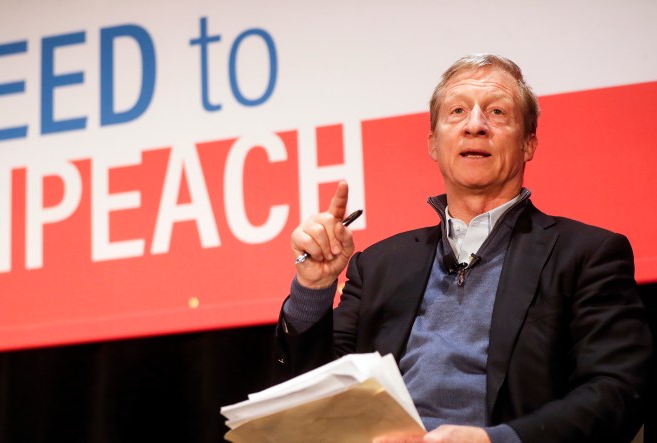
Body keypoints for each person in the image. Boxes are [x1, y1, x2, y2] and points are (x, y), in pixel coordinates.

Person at [273, 54, 652, 443]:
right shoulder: (380, 265)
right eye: (457, 111)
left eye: (497, 112)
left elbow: (618, 392)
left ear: (528, 144)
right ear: (433, 144)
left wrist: (495, 440)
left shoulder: (586, 255)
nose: (475, 125)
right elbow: (315, 398)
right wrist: (313, 288)